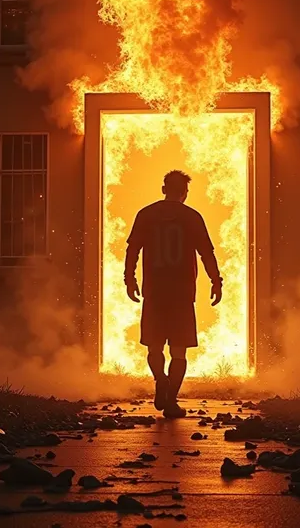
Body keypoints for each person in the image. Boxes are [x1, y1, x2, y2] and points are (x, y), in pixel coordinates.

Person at [124, 169, 223, 419]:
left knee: (154, 347)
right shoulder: (192, 217)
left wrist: (129, 279)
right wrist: (216, 281)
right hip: (182, 294)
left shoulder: (146, 214)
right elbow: (206, 253)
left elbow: (132, 249)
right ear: (185, 193)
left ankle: (160, 379)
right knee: (178, 351)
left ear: (163, 189)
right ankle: (171, 403)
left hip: (154, 292)